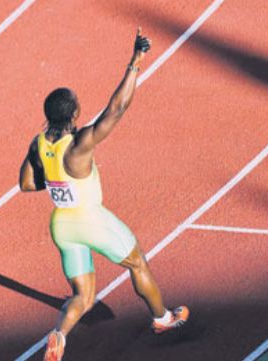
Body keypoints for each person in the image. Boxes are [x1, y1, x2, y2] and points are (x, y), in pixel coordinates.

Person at [19, 28, 189, 361]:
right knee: (137, 262)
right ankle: (163, 319)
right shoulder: (79, 146)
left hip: (62, 227)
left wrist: (55, 182)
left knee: (82, 296)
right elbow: (116, 110)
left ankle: (59, 334)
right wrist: (136, 62)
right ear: (73, 115)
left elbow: (26, 184)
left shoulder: (37, 145)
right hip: (91, 220)